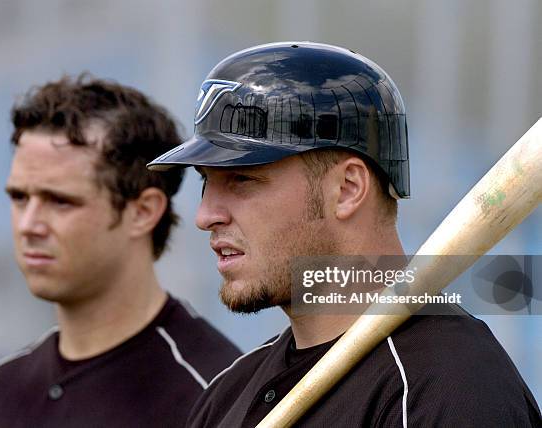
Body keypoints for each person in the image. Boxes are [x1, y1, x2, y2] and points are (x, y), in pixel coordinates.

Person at [148, 42, 541, 427]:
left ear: (347, 189)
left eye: (243, 179)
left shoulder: (450, 388)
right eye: (206, 183)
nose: (205, 215)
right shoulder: (228, 393)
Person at [0, 74, 241, 428]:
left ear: (142, 212)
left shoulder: (218, 395)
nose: (28, 224)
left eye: (60, 201)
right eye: (19, 198)